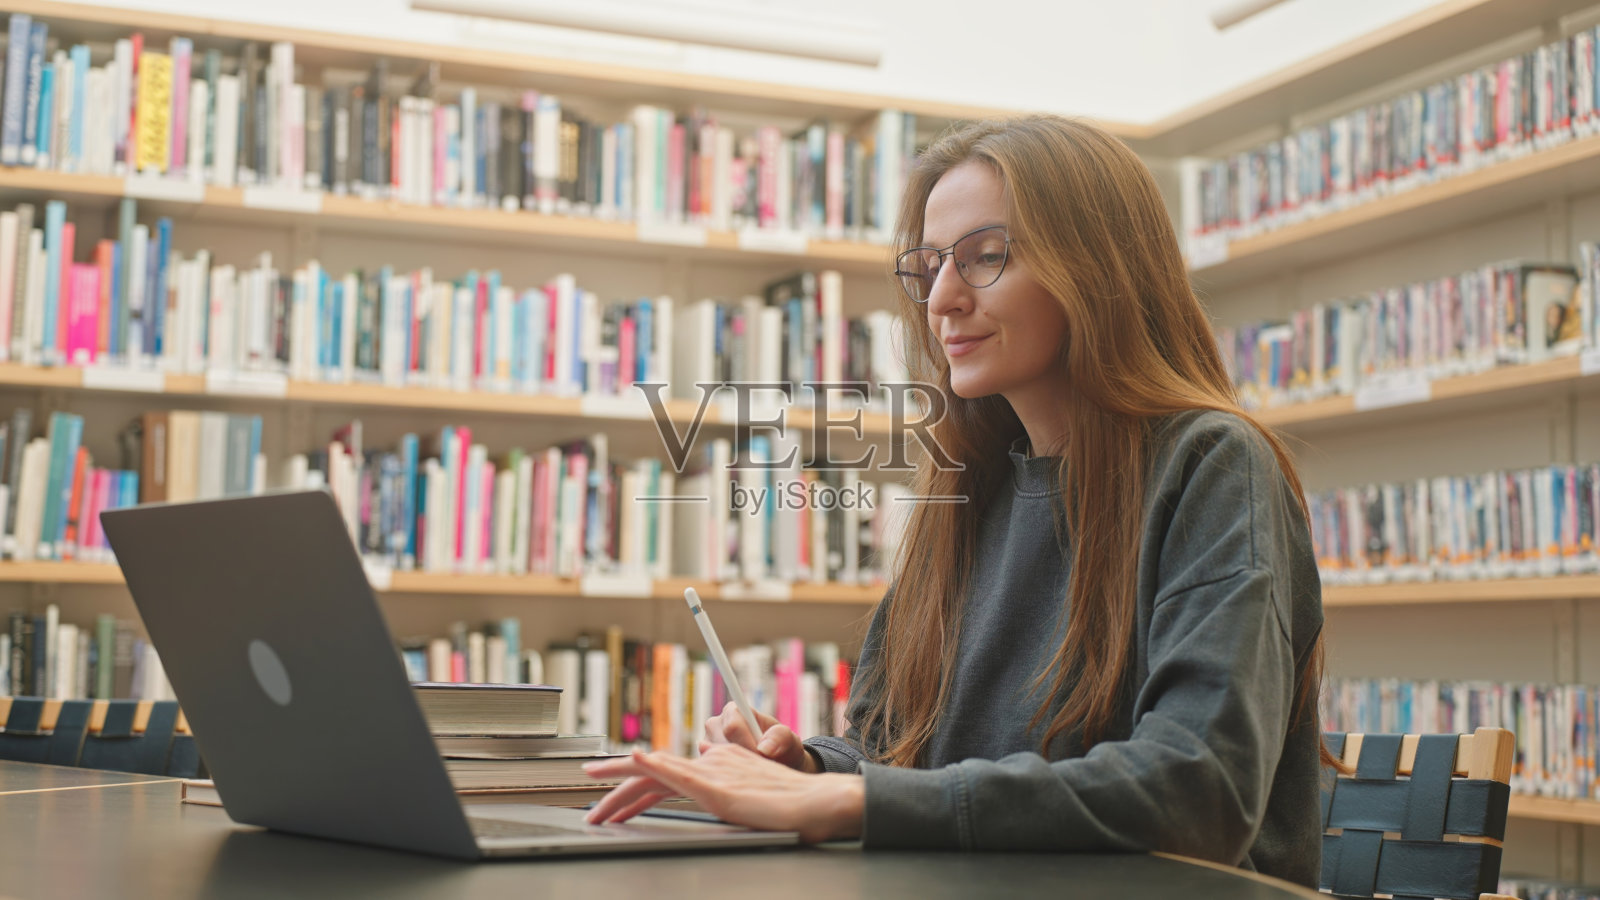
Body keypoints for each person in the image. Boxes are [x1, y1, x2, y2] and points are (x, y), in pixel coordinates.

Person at [582, 114, 1331, 888]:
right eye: (930, 265)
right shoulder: (969, 488)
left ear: (1099, 269)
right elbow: (889, 750)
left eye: (984, 258)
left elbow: (1196, 788)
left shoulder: (1211, 466)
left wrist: (856, 801)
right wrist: (807, 766)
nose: (941, 299)